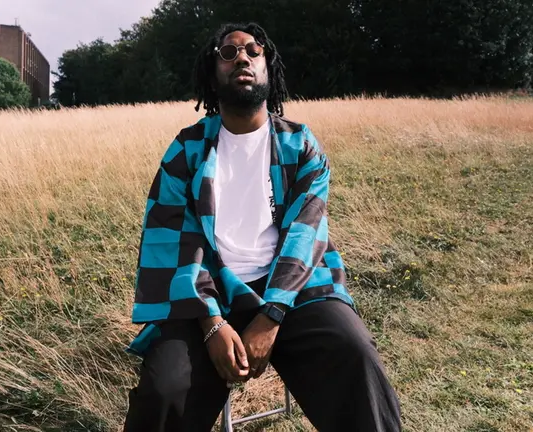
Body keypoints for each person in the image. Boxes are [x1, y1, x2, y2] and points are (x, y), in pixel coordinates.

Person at [122, 22, 402, 432]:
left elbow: (305, 235)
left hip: (292, 291)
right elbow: (175, 239)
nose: (242, 58)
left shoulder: (299, 145)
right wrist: (212, 323)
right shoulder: (188, 149)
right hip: (208, 296)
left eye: (254, 51)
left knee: (354, 353)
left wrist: (269, 317)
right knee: (165, 390)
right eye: (229, 52)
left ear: (269, 67)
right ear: (211, 74)